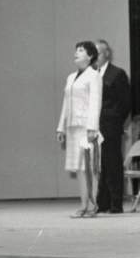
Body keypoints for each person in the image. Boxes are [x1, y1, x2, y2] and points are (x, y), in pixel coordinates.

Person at [56, 41, 103, 218]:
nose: (76, 53)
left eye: (81, 50)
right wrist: (61, 128)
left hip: (86, 128)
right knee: (79, 168)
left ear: (90, 56)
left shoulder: (94, 75)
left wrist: (92, 128)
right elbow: (66, 104)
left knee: (89, 167)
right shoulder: (70, 77)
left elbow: (95, 102)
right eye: (76, 50)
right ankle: (83, 205)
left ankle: (92, 205)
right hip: (73, 127)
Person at [94, 40, 131, 215]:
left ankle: (116, 203)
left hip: (111, 124)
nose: (96, 57)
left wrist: (115, 120)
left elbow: (125, 102)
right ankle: (103, 202)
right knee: (103, 164)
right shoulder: (92, 74)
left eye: (98, 53)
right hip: (96, 125)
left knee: (113, 163)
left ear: (106, 53)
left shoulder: (117, 74)